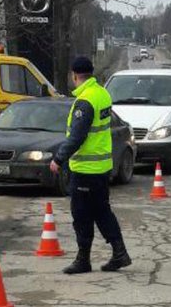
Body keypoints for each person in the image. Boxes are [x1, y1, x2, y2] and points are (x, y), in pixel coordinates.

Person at [50, 56, 131, 275]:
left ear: (74, 75)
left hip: (86, 170)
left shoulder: (84, 101)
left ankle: (83, 259)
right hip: (102, 167)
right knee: (102, 211)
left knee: (82, 214)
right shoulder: (102, 94)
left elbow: (77, 136)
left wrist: (58, 159)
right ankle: (119, 253)